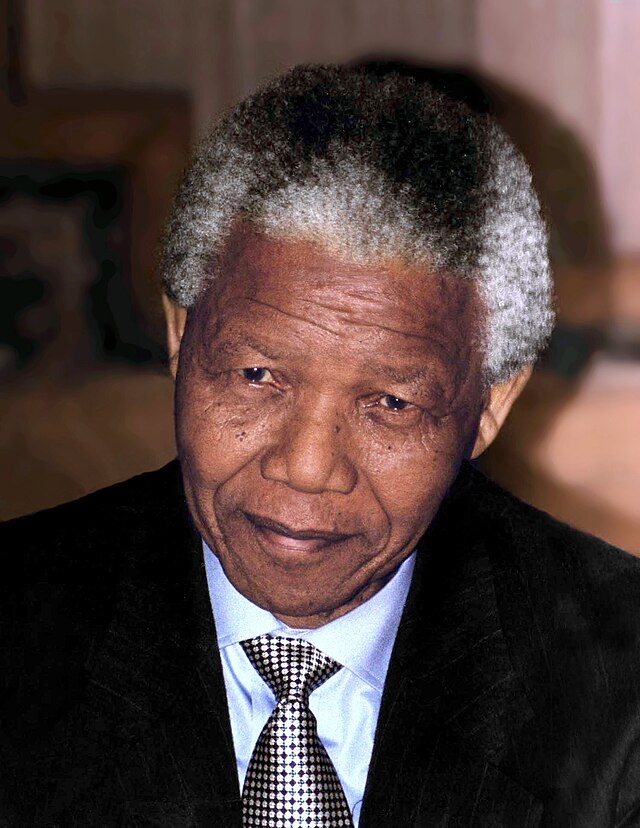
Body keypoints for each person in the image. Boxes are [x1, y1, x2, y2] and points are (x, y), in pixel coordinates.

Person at [2, 63, 640, 828]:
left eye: (391, 403)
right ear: (180, 335)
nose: (305, 470)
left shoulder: (620, 678)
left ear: (491, 403)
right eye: (257, 373)